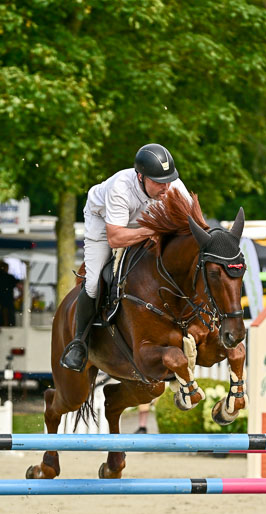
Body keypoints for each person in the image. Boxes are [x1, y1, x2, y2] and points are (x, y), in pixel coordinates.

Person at [60, 143, 190, 372]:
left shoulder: (173, 186)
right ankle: (79, 342)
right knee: (93, 282)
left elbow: (191, 224)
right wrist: (151, 231)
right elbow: (116, 238)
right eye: (159, 182)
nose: (166, 187)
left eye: (169, 180)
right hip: (104, 222)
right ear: (141, 177)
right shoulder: (121, 187)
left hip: (145, 220)